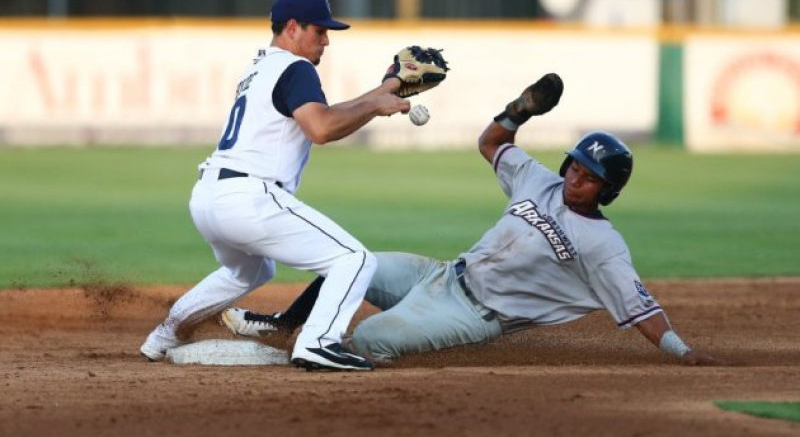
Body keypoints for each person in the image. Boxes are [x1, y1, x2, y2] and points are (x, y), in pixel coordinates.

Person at [221, 73, 722, 366]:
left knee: (372, 340)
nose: (574, 178)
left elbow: (640, 307)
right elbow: (492, 144)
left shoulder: (602, 245)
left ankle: (326, 356)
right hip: (440, 274)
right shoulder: (539, 181)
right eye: (574, 165)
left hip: (473, 314)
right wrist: (517, 111)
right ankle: (282, 327)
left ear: (608, 191)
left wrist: (681, 351)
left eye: (589, 177)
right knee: (351, 264)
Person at [140, 0, 411, 371]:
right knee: (353, 259)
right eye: (320, 31)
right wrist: (373, 105)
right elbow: (321, 128)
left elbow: (325, 113)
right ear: (292, 28)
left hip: (209, 196)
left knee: (249, 270)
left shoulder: (262, 68)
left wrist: (384, 91)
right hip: (250, 199)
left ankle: (163, 336)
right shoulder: (297, 68)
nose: (326, 40)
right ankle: (318, 343)